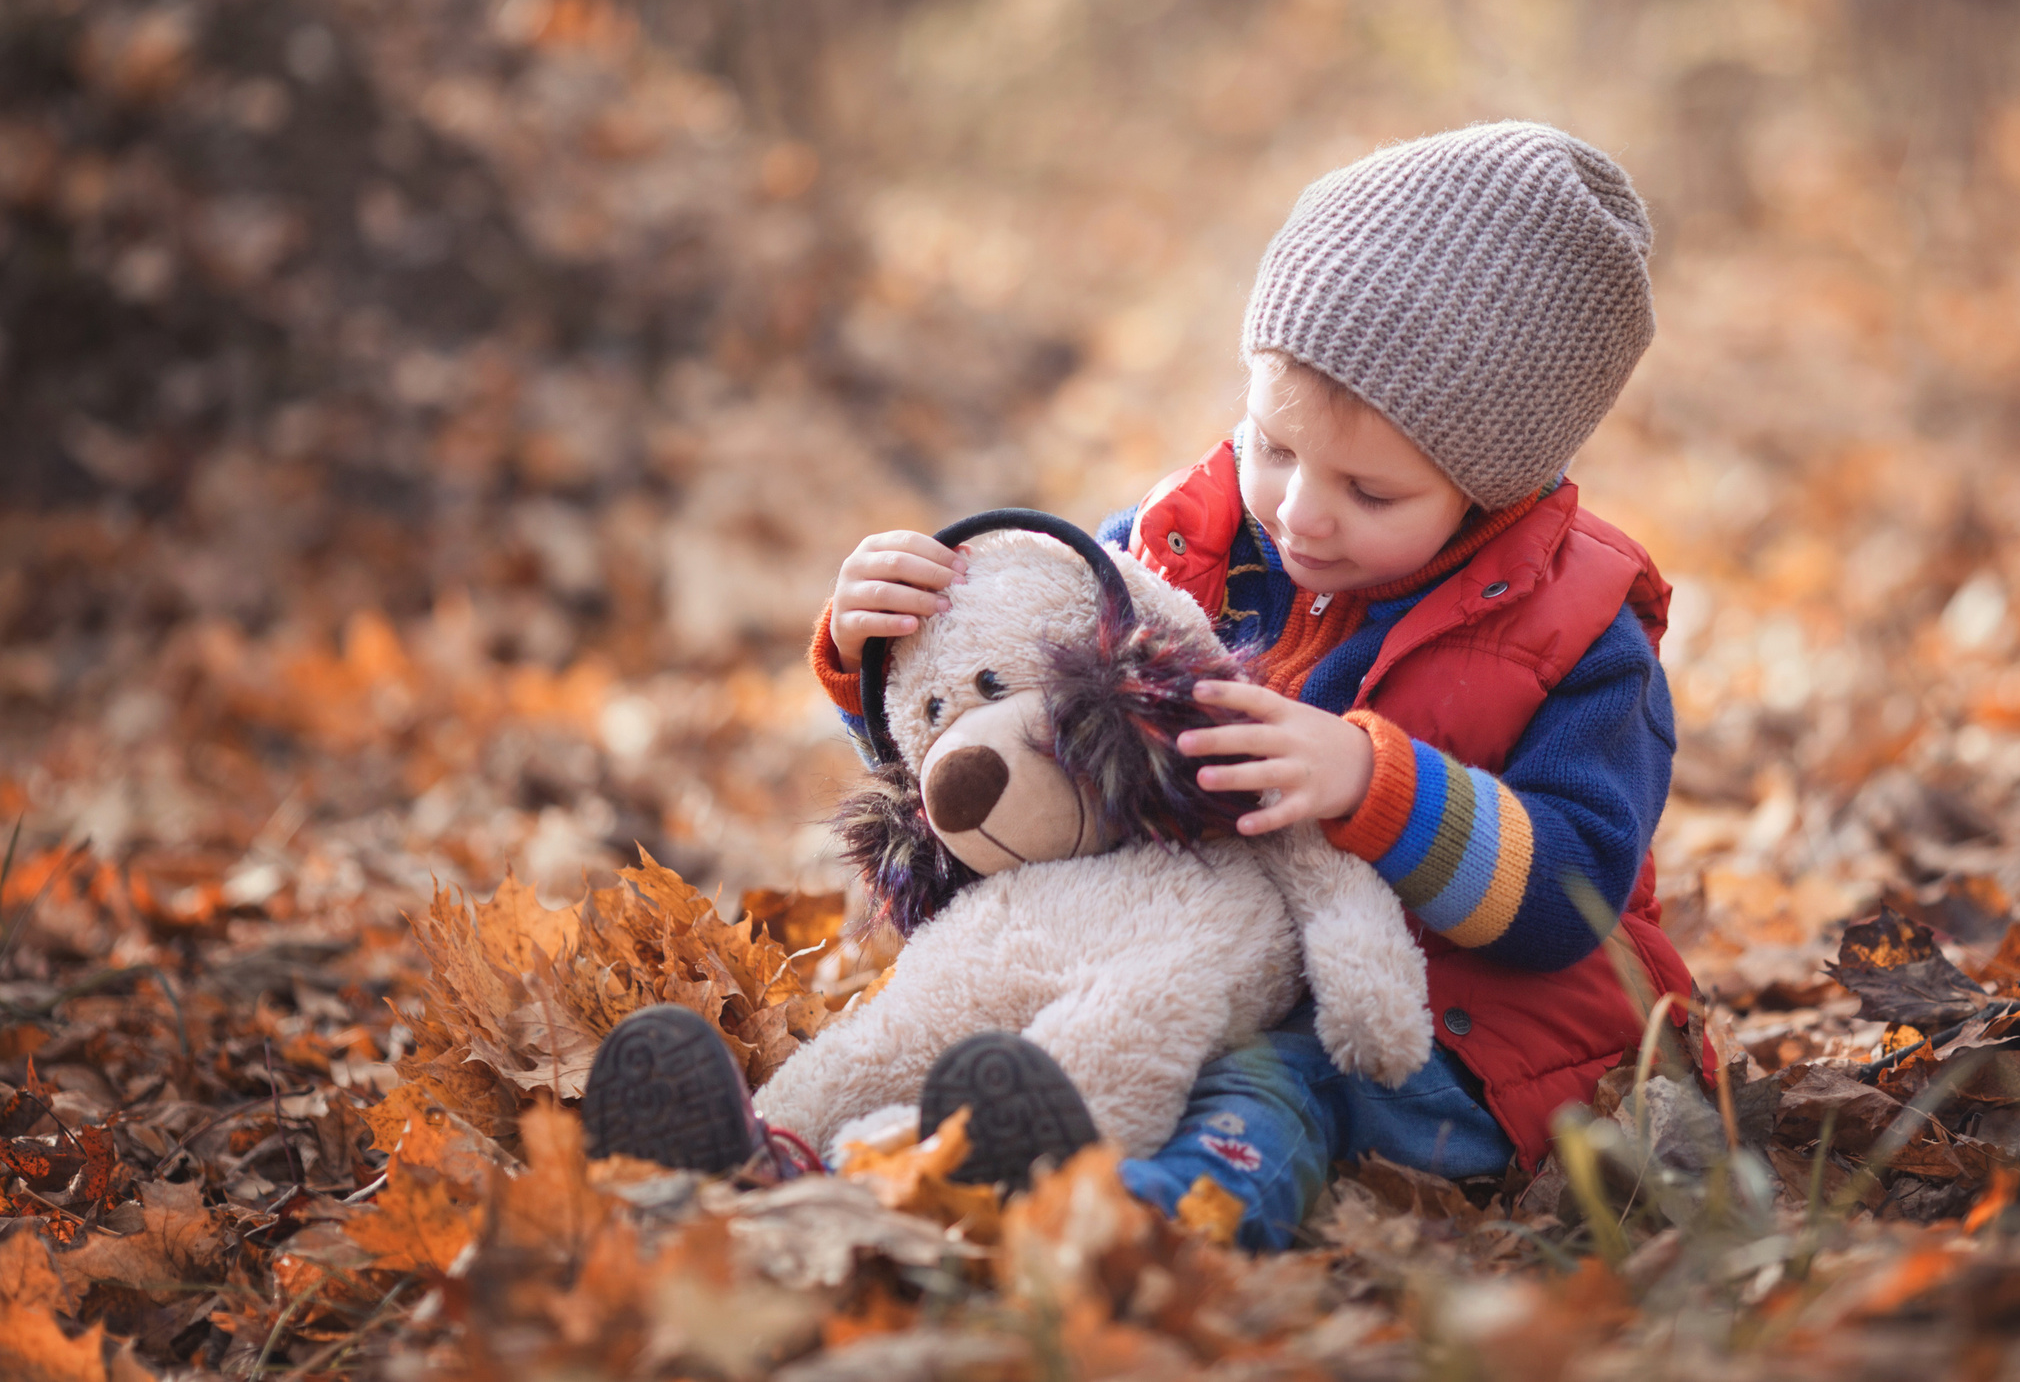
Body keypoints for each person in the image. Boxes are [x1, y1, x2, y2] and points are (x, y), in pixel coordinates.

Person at [587, 121, 1702, 1249]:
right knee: (993, 999)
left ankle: (1127, 1220)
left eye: (1370, 493)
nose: (1301, 511)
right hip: (1163, 966)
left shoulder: (1580, 635)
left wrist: (1376, 782)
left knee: (1262, 1084)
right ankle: (807, 1159)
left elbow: (1577, 900)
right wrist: (878, 651)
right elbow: (1017, 759)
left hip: (1442, 1040)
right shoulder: (1178, 543)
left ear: (1494, 486)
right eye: (1273, 446)